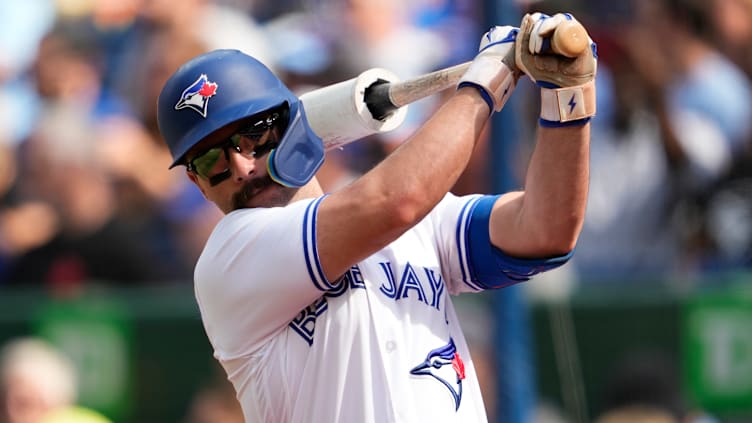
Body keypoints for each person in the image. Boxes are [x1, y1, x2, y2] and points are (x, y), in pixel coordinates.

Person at [156, 11, 596, 423]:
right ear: (196, 183)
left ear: (287, 123)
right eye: (211, 159)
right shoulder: (231, 257)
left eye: (254, 136)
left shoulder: (413, 218)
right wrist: (483, 84)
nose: (242, 168)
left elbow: (544, 229)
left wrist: (569, 98)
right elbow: (395, 201)